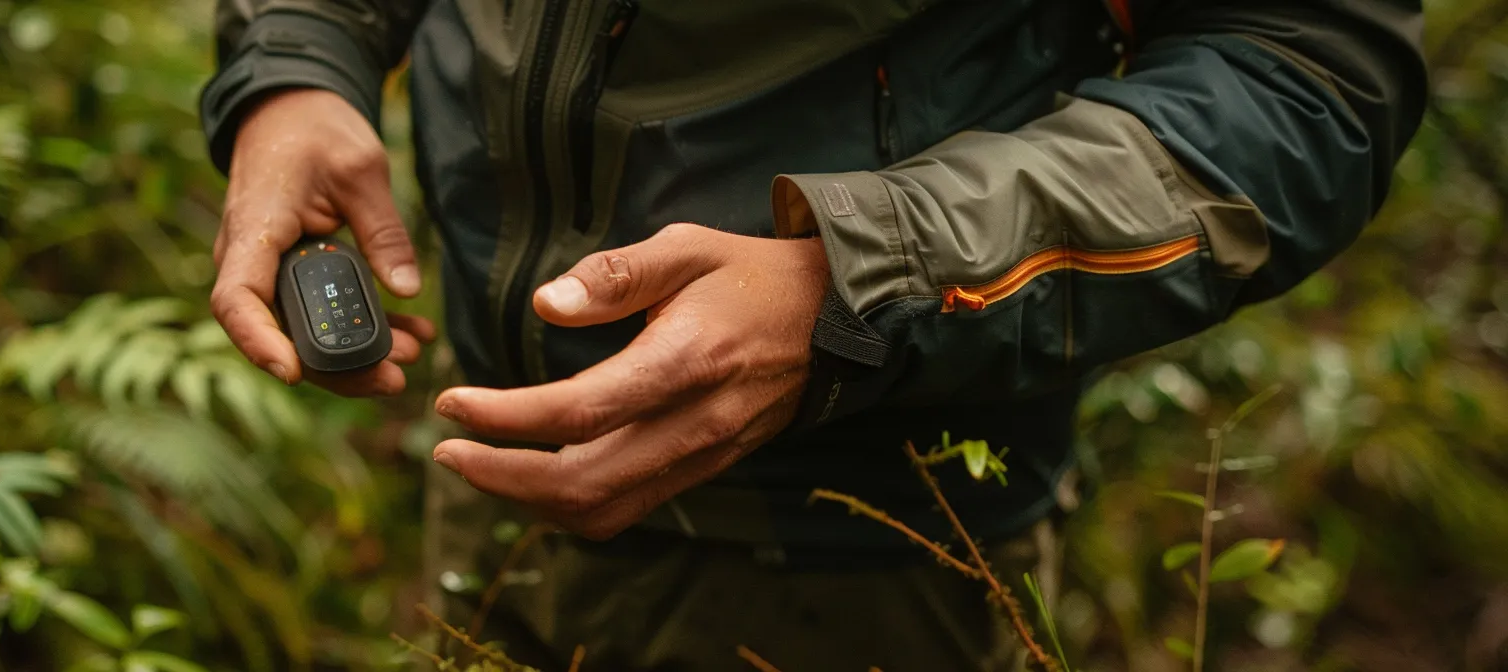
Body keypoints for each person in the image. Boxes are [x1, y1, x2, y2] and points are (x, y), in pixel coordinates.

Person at [199, 0, 1426, 668]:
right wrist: (296, 59)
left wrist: (860, 277)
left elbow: (1305, 73)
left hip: (861, 559)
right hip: (489, 492)